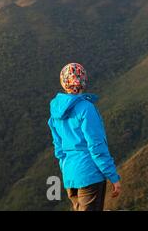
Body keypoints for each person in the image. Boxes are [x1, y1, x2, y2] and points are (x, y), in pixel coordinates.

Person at [48, 63, 121, 211]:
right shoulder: (86, 109)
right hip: (90, 175)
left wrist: (69, 170)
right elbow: (96, 147)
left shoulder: (55, 113)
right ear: (83, 81)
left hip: (70, 176)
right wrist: (113, 176)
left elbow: (59, 150)